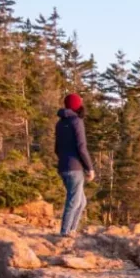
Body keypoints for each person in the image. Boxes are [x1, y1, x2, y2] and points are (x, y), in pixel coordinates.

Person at [55, 93, 95, 235]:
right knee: (73, 201)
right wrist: (89, 168)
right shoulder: (77, 122)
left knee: (81, 202)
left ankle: (71, 230)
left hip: (63, 167)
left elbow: (57, 148)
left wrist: (64, 161)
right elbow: (81, 147)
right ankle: (65, 232)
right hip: (75, 168)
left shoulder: (60, 123)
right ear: (76, 105)